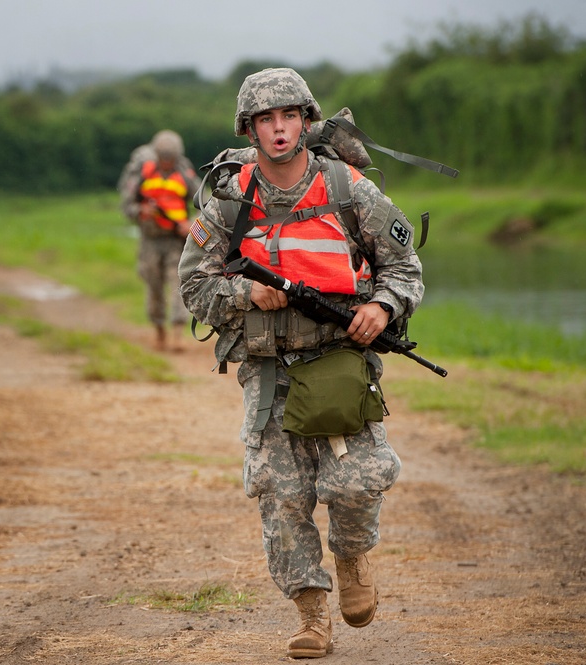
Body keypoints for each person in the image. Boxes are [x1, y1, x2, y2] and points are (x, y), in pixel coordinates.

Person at [179, 68, 421, 658]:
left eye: (289, 116)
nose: (279, 129)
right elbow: (193, 285)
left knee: (357, 481)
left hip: (339, 359)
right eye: (266, 119)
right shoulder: (231, 199)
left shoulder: (348, 190)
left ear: (306, 122)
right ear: (250, 128)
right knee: (281, 496)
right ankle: (312, 614)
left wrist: (383, 309)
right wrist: (246, 295)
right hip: (269, 367)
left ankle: (353, 555)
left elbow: (405, 269)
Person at [119, 130, 202, 351]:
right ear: (156, 156)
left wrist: (192, 222)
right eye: (163, 159)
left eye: (171, 159)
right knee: (153, 285)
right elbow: (126, 205)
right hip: (150, 240)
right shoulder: (142, 173)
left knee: (178, 284)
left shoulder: (184, 173)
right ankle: (159, 331)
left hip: (176, 240)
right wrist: (141, 210)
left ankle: (177, 333)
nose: (167, 163)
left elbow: (204, 203)